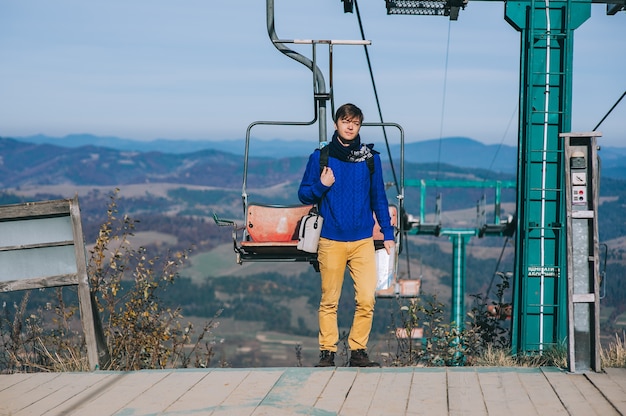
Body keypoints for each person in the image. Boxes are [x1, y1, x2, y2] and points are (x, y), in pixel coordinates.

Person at [298, 103, 395, 367]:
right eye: (345, 121)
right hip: (330, 240)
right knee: (330, 299)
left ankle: (358, 351)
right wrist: (322, 184)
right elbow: (304, 194)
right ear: (336, 124)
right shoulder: (321, 158)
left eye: (355, 122)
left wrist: (388, 233)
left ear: (360, 126)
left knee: (366, 298)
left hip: (363, 240)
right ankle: (327, 352)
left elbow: (379, 198)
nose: (350, 126)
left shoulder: (370, 159)